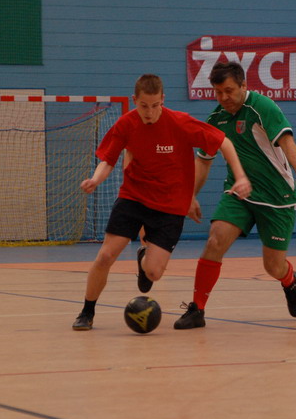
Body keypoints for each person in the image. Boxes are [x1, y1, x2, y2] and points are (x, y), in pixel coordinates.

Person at [72, 74, 252, 330]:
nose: (149, 112)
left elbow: (224, 142)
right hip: (134, 198)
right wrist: (95, 179)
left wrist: (241, 176)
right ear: (135, 100)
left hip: (170, 206)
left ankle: (144, 257)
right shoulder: (126, 124)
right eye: (144, 106)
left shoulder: (179, 123)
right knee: (105, 256)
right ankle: (87, 312)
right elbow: (108, 160)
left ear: (163, 100)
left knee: (154, 273)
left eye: (155, 105)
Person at [174, 61, 296, 329]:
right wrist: (190, 196)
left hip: (276, 196)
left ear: (243, 86)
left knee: (272, 266)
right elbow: (203, 161)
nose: (224, 97)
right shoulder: (216, 119)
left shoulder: (262, 107)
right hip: (239, 191)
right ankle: (197, 309)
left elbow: (287, 142)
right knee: (215, 239)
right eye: (218, 92)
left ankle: (289, 279)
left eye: (229, 91)